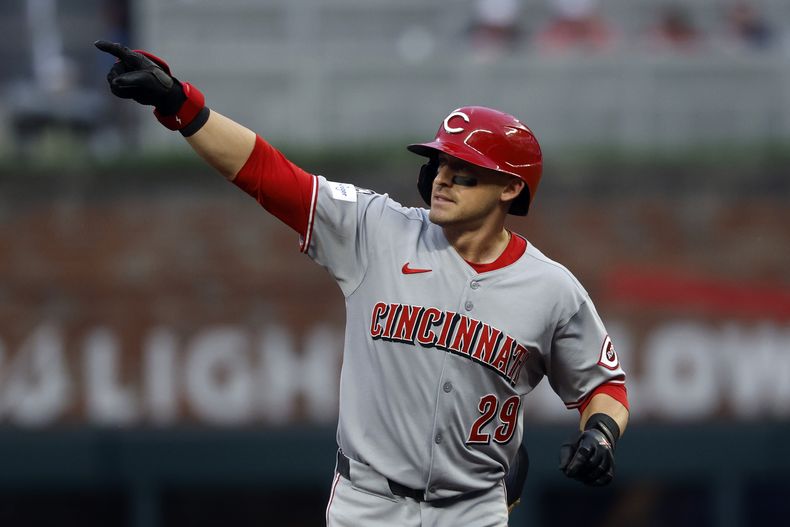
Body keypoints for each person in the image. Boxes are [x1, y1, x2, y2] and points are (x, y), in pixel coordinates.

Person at [95, 40, 630, 527]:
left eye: (464, 168)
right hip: (368, 506)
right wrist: (180, 104)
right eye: (440, 163)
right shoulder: (378, 230)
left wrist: (600, 435)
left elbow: (604, 385)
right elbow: (268, 174)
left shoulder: (550, 287)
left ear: (510, 187)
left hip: (474, 510)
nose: (442, 177)